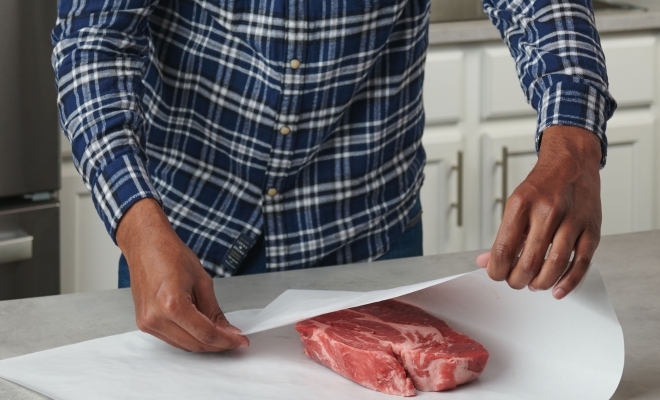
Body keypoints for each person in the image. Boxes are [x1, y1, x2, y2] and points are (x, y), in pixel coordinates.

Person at [52, 0, 615, 353]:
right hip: (179, 241)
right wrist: (135, 223)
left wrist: (574, 140)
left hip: (367, 239)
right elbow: (92, 41)